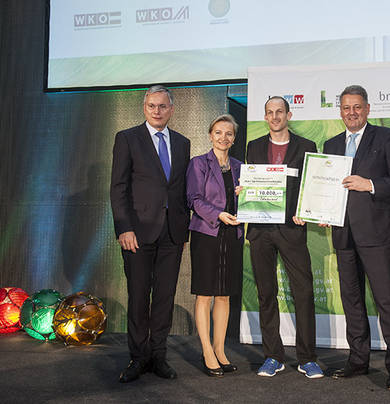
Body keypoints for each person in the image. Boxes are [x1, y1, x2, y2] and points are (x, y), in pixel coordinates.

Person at [323, 85, 390, 391]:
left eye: (357, 107)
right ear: (340, 111)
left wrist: (370, 184)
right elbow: (326, 187)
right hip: (343, 233)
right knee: (352, 300)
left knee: (387, 301)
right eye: (346, 108)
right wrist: (321, 209)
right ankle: (358, 359)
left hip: (377, 234)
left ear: (368, 109)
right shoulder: (331, 143)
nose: (352, 112)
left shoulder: (385, 137)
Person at [110, 85, 191, 383]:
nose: (157, 111)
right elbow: (118, 188)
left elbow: (181, 189)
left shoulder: (183, 143)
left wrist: (183, 229)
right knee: (139, 297)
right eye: (152, 106)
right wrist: (124, 228)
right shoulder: (127, 138)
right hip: (137, 233)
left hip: (172, 234)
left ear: (171, 109)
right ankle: (138, 357)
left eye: (162, 106)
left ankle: (158, 356)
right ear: (144, 108)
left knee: (165, 299)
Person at [246, 96, 323, 378]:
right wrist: (244, 193)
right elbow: (251, 182)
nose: (275, 116)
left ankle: (307, 358)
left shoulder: (306, 147)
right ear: (265, 117)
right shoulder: (253, 147)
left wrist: (307, 210)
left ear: (288, 115)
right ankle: (272, 356)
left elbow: (312, 186)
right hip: (261, 230)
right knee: (266, 294)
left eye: (280, 112)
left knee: (303, 292)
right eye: (270, 112)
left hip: (292, 229)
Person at [186, 114, 243, 378]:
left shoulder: (241, 166)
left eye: (228, 133)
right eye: (218, 132)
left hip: (232, 236)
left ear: (234, 137)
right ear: (210, 135)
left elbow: (252, 200)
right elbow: (194, 199)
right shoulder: (198, 164)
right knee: (205, 294)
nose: (223, 138)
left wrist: (248, 199)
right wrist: (218, 214)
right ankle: (207, 351)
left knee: (225, 294)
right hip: (206, 234)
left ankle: (220, 350)